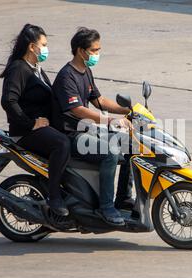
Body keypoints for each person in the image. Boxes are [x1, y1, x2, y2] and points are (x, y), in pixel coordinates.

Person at [52, 27, 134, 226]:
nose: (97, 54)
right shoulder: (66, 77)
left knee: (132, 145)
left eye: (99, 49)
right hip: (70, 134)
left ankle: (123, 198)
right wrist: (110, 121)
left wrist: (128, 110)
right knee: (110, 153)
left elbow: (99, 100)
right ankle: (106, 207)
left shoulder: (85, 71)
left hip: (86, 129)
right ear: (81, 51)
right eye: (94, 50)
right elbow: (78, 110)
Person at [0, 24, 70, 216]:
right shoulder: (19, 68)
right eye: (44, 44)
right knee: (61, 144)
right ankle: (54, 197)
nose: (46, 49)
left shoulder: (36, 68)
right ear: (32, 47)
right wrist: (31, 123)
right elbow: (8, 100)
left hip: (41, 128)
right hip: (25, 132)